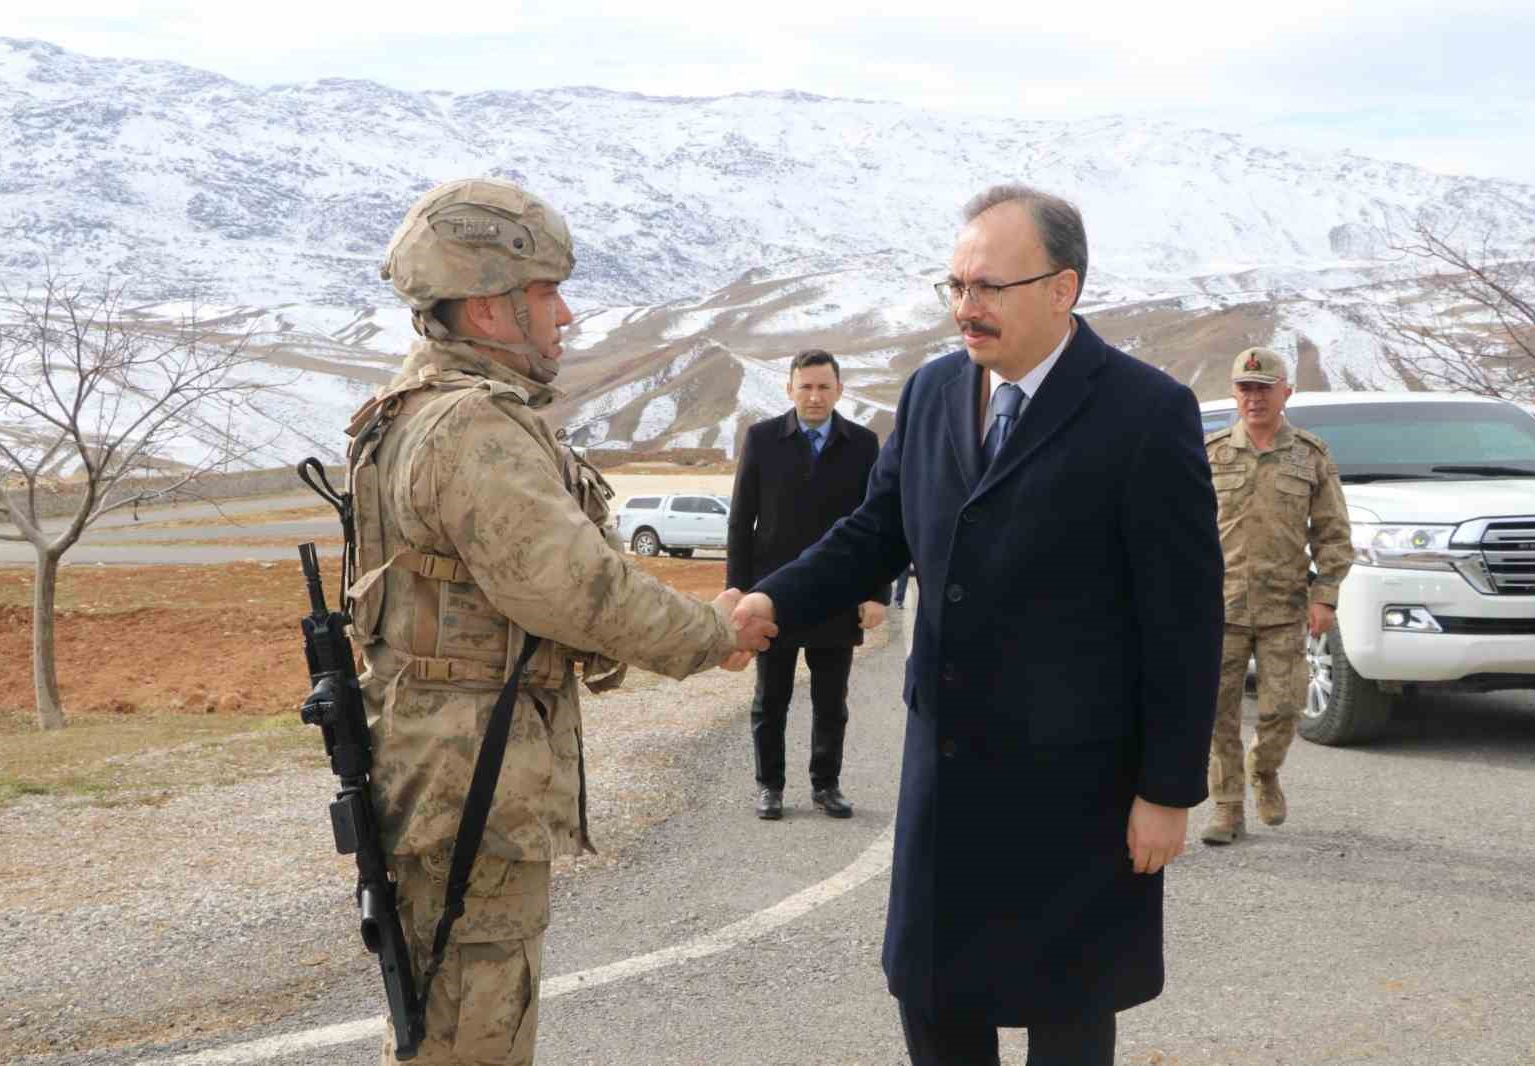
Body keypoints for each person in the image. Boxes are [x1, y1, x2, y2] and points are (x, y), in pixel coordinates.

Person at [732, 184, 1224, 1066]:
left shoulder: (1145, 413)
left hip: (1075, 790)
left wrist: (1167, 790)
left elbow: (1184, 618)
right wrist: (775, 597)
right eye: (955, 285)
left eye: (989, 287)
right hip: (946, 773)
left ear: (1062, 288)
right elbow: (877, 532)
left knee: (1067, 1014)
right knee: (933, 1000)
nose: (967, 307)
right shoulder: (931, 392)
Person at [345, 177, 775, 1066]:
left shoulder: (422, 409)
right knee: (475, 1029)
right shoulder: (473, 429)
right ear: (491, 310)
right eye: (545, 294)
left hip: (451, 763)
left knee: (455, 1012)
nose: (566, 314)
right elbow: (573, 587)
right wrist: (712, 635)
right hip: (472, 776)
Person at [727, 348, 889, 820]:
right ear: (790, 389)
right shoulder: (761, 439)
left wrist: (876, 592)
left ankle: (826, 785)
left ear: (839, 389)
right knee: (769, 699)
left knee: (830, 701)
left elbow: (879, 524)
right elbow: (741, 523)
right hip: (772, 596)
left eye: (823, 387)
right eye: (806, 386)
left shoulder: (862, 445)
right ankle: (770, 787)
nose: (814, 396)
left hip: (835, 595)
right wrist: (738, 592)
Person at [1201, 348, 1351, 845]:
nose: (1254, 397)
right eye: (1246, 388)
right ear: (1233, 392)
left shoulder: (1309, 455)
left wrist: (1324, 596)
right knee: (1217, 711)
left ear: (1286, 391)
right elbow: (1184, 532)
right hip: (1217, 607)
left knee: (1283, 708)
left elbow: (1333, 533)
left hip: (1284, 606)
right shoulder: (1211, 453)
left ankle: (1264, 770)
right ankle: (1226, 807)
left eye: (1265, 387)